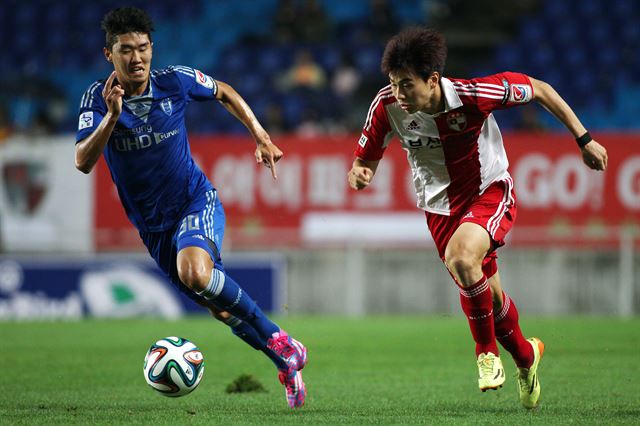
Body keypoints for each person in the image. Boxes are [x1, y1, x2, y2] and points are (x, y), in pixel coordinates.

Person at [347, 27, 608, 409]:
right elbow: (363, 159)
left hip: (489, 191)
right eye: (393, 84)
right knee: (490, 296)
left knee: (462, 258)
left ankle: (485, 354)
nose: (399, 94)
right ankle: (525, 356)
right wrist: (360, 173)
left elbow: (539, 89)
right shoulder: (386, 106)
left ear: (433, 80)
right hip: (439, 210)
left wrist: (584, 139)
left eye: (407, 85)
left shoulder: (474, 94)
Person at [74, 7, 307, 408]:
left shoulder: (175, 81)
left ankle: (278, 338)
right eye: (126, 50)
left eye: (143, 48)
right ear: (108, 54)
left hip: (194, 201)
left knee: (196, 273)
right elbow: (82, 160)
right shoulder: (97, 99)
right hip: (153, 227)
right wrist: (112, 118)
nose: (137, 58)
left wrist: (261, 136)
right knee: (218, 309)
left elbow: (224, 92)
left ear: (152, 49)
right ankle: (284, 362)